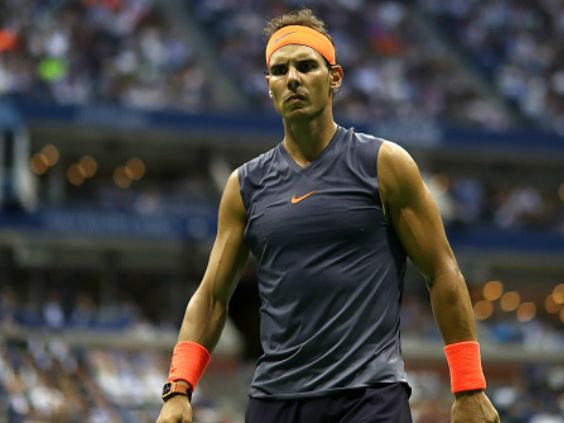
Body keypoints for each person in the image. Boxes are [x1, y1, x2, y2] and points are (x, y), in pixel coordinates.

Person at [156, 8, 500, 423]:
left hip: (369, 398)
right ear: (268, 86)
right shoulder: (244, 185)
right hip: (276, 402)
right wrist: (178, 388)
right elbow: (212, 296)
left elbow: (443, 271)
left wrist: (469, 386)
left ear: (334, 77)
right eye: (279, 70)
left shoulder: (385, 165)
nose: (293, 79)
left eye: (306, 66)